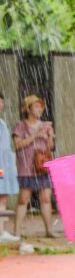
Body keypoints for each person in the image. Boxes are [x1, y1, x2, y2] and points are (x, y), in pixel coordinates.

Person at [12, 95, 56, 238]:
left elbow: (50, 147)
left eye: (41, 107)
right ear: (28, 109)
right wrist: (36, 135)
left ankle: (49, 230)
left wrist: (50, 136)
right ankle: (17, 232)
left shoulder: (45, 125)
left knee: (46, 198)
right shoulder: (20, 125)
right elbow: (18, 145)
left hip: (42, 167)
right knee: (24, 199)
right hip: (26, 167)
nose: (40, 109)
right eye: (36, 106)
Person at [0, 93, 19, 243]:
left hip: (4, 167)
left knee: (3, 199)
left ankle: (2, 230)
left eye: (1, 102)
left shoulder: (2, 123)